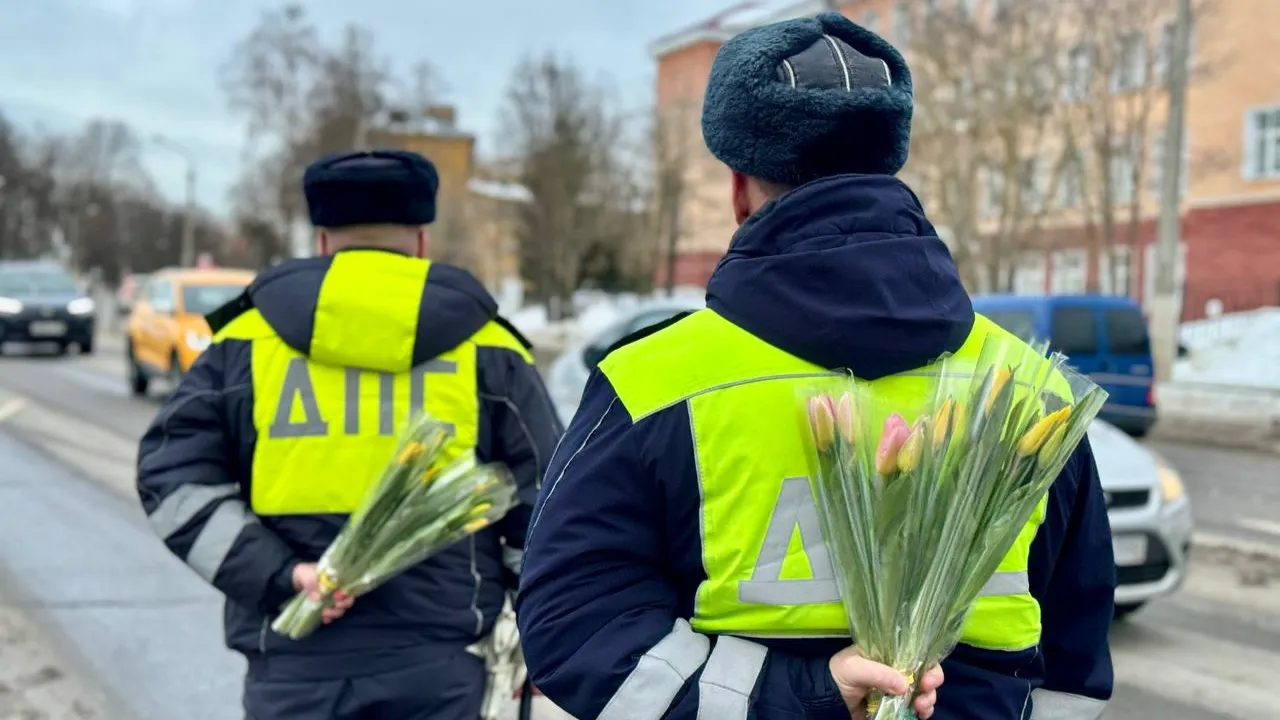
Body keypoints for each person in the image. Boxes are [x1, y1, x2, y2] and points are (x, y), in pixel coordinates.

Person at [517, 12, 1115, 720]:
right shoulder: (1035, 391)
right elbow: (1075, 659)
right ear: (888, 165)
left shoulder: (654, 383)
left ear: (739, 188)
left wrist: (798, 696)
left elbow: (576, 626)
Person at [136, 149, 563, 720]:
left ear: (322, 241)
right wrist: (545, 636)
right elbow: (550, 506)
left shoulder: (245, 341)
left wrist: (279, 574)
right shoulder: (489, 346)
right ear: (420, 240)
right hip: (439, 671)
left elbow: (171, 479)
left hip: (294, 665)